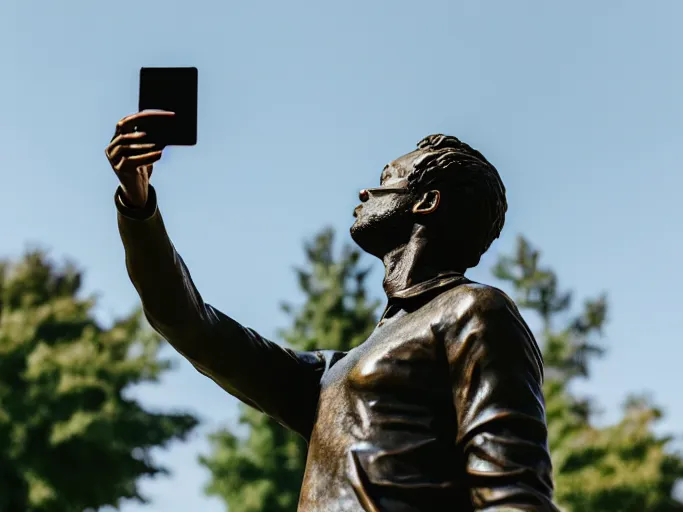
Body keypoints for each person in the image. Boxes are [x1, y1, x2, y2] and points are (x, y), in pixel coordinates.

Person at [105, 111, 559, 511]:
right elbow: (186, 322)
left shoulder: (474, 310)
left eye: (387, 176)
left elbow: (511, 490)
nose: (366, 189)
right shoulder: (329, 377)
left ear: (426, 201)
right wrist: (139, 206)